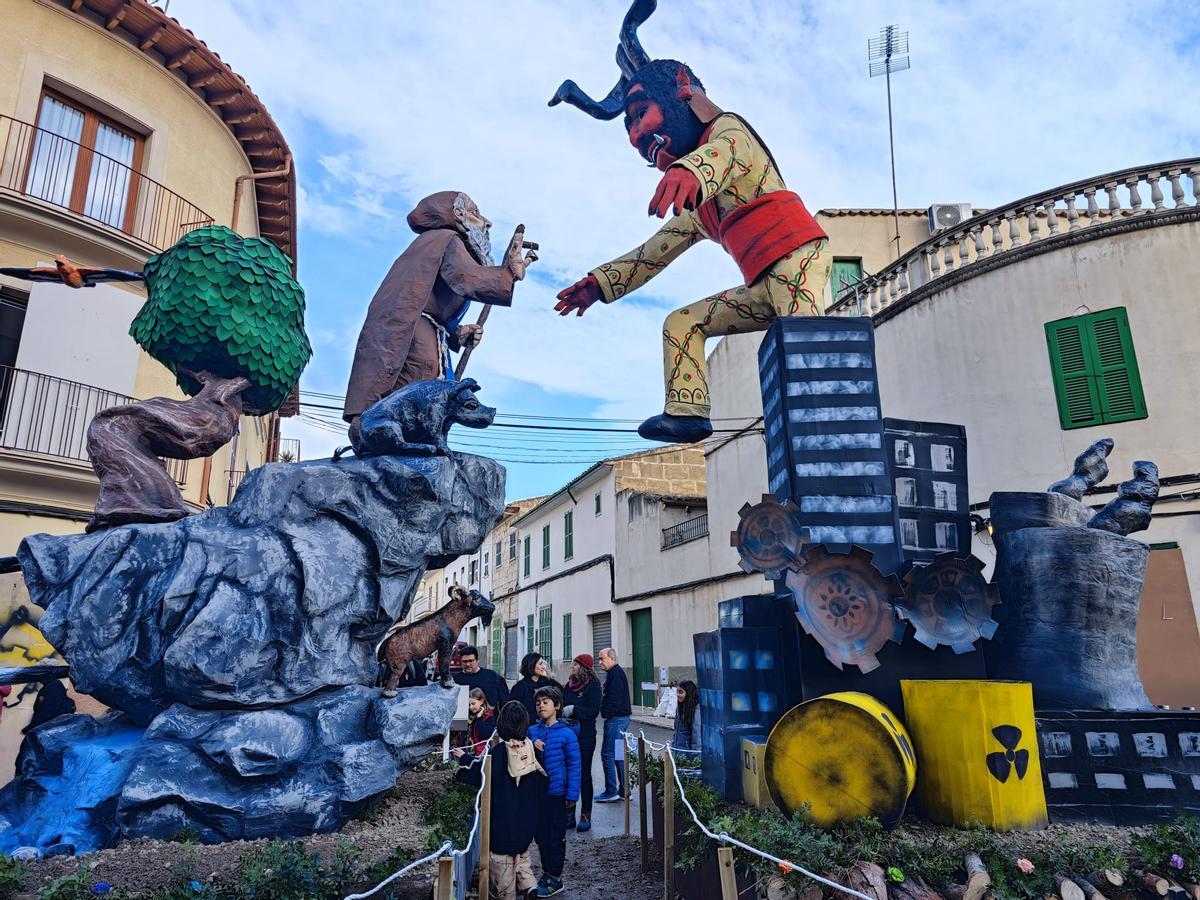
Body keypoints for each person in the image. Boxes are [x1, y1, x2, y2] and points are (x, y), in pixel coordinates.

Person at [550, 2, 832, 444]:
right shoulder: (697, 209)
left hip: (797, 260)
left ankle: (825, 429)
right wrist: (600, 285)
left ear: (682, 96)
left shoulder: (727, 130)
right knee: (682, 323)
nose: (635, 136)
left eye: (640, 114)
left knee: (804, 363)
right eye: (628, 126)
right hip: (762, 282)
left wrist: (692, 170)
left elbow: (728, 151)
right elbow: (652, 255)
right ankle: (687, 413)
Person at [341, 191, 538, 450]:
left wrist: (456, 334)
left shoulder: (437, 243)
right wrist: (507, 274)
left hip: (425, 335)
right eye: (476, 213)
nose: (487, 223)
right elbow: (467, 278)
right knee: (420, 397)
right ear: (458, 216)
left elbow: (434, 304)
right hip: (415, 342)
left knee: (426, 402)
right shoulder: (446, 239)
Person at [461, 700, 545, 900]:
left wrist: (463, 761)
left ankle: (508, 894)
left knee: (503, 871)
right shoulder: (532, 751)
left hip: (501, 826)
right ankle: (530, 886)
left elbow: (478, 774)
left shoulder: (498, 754)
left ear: (502, 724)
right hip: (526, 824)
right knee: (522, 857)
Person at [530, 685, 580, 898]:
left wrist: (572, 795)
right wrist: (532, 744)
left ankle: (556, 877)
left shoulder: (567, 734)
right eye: (538, 703)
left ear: (557, 706)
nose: (541, 706)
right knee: (540, 836)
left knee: (555, 837)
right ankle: (547, 872)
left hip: (558, 794)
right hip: (537, 795)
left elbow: (574, 765)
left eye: (546, 702)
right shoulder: (532, 731)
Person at [562, 653, 601, 832]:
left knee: (584, 774)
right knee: (569, 774)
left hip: (585, 736)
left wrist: (575, 710)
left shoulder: (593, 687)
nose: (573, 667)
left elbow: (593, 711)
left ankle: (586, 814)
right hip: (568, 736)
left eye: (576, 665)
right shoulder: (568, 687)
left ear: (584, 667)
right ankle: (569, 813)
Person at [595, 647, 631, 802]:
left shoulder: (615, 674)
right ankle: (624, 791)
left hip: (616, 719)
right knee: (617, 756)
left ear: (611, 658)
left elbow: (614, 700)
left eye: (602, 658)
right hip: (620, 718)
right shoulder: (615, 673)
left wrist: (606, 712)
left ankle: (611, 791)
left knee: (608, 754)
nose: (600, 662)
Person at [453, 645, 510, 709]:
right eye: (465, 661)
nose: (468, 664)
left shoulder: (493, 677)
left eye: (471, 661)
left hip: (491, 718)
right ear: (461, 661)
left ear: (477, 660)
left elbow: (505, 703)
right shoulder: (455, 680)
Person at [509, 652, 560, 722]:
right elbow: (513, 710)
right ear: (532, 665)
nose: (543, 667)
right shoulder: (519, 687)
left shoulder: (547, 683)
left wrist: (549, 678)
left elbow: (559, 692)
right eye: (540, 664)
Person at [452, 688, 496, 763]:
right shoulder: (471, 716)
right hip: (469, 751)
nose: (471, 707)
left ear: (481, 701)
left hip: (481, 753)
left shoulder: (489, 717)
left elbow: (484, 734)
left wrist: (479, 719)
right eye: (469, 704)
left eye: (473, 704)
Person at [672, 680, 702, 755]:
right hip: (678, 751)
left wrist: (696, 757)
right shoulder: (679, 708)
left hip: (688, 754)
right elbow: (676, 732)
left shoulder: (695, 710)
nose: (678, 695)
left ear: (688, 693)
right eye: (677, 692)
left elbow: (697, 734)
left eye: (681, 692)